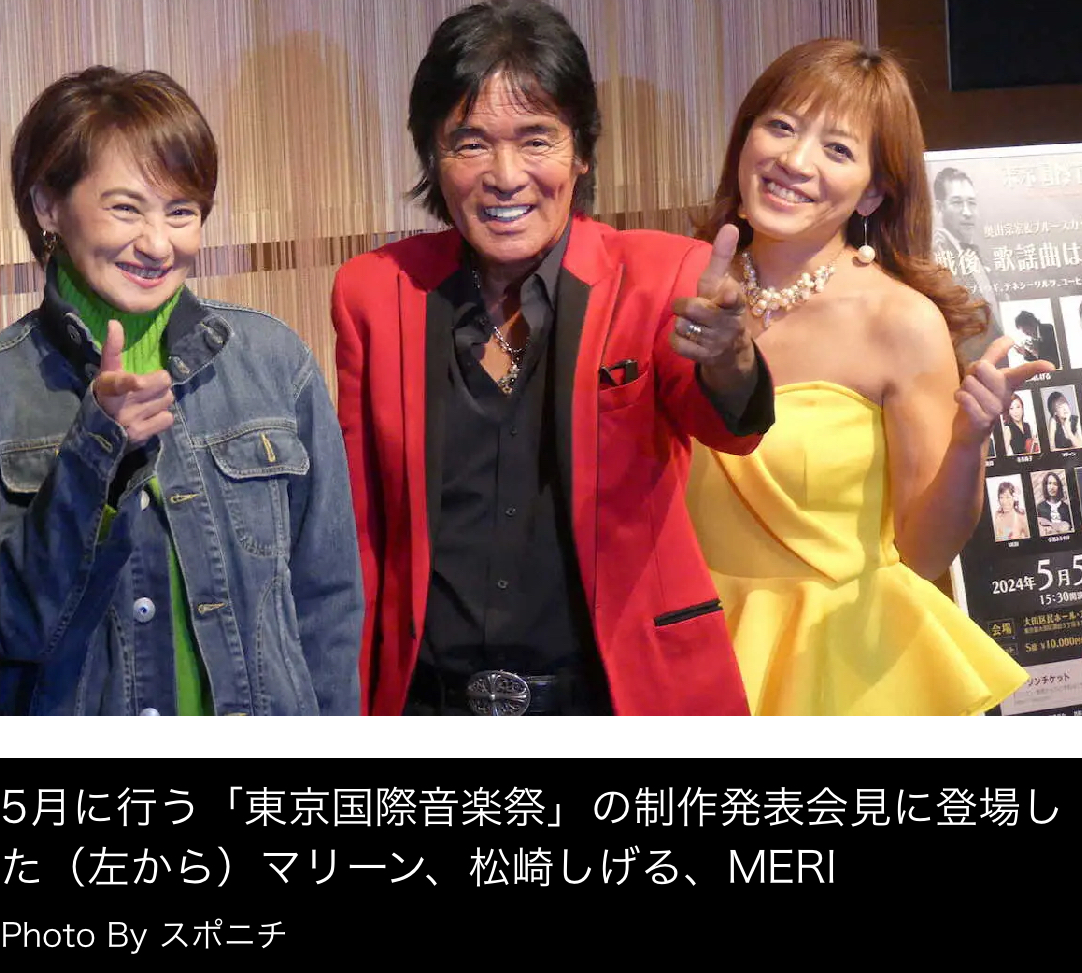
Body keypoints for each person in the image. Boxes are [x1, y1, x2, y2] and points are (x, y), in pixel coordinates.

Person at [332, 0, 773, 716]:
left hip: (616, 697)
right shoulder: (375, 293)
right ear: (433, 157)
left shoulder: (663, 277)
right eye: (470, 143)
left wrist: (730, 357)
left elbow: (732, 428)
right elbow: (359, 529)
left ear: (581, 151)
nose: (505, 175)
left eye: (536, 139)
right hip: (429, 702)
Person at [685, 38, 1041, 715]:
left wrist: (969, 442)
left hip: (843, 662)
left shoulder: (900, 322)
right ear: (745, 138)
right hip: (688, 642)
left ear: (874, 191)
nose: (795, 161)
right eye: (781, 126)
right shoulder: (681, 286)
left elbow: (924, 551)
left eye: (837, 149)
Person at [0, 67, 362, 715]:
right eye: (126, 207)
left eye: (181, 211)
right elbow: (15, 626)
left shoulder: (274, 361)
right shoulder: (8, 385)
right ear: (48, 205)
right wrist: (95, 452)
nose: (158, 243)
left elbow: (326, 600)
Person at [931, 166, 1001, 363]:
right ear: (940, 207)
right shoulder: (935, 255)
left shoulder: (975, 254)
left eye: (971, 203)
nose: (967, 212)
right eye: (957, 203)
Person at [1035, 471, 1072, 535]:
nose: (1052, 487)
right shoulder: (1039, 507)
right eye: (1049, 483)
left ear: (1059, 487)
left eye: (1055, 484)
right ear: (1045, 486)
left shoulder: (1066, 507)